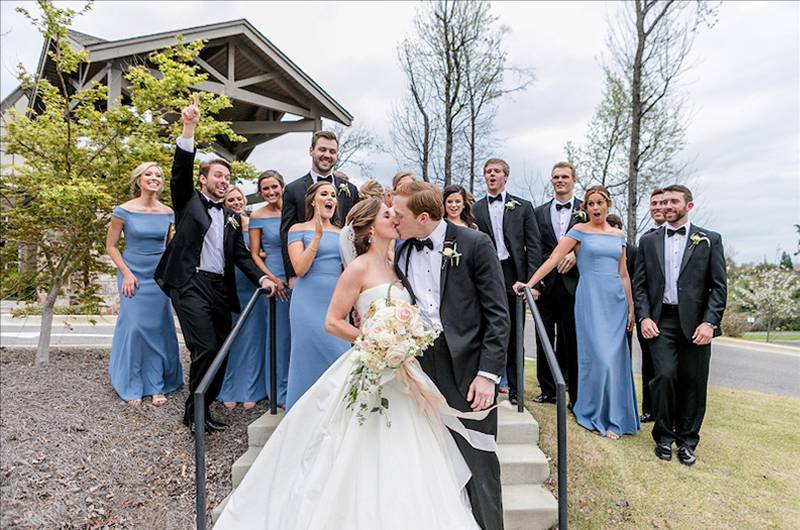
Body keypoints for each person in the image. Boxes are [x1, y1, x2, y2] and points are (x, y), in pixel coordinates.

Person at [215, 198, 484, 529]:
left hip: (401, 372)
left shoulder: (397, 262)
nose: (396, 219)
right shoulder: (358, 267)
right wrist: (373, 342)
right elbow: (332, 321)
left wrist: (402, 342)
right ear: (371, 227)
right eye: (388, 215)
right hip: (372, 364)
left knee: (410, 449)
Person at [154, 95, 275, 434]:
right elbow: (180, 171)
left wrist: (262, 279)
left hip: (219, 288)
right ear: (204, 180)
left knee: (221, 348)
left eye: (227, 177)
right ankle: (193, 414)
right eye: (217, 176)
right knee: (204, 346)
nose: (223, 180)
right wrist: (189, 127)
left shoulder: (234, 216)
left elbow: (239, 256)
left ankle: (203, 411)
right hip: (189, 283)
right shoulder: (188, 201)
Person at [394, 181, 509, 530]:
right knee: (431, 456)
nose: (394, 220)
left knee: (478, 456)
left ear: (423, 216)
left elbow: (498, 315)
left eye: (399, 215)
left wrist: (488, 375)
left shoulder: (475, 244)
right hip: (418, 365)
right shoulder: (400, 251)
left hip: (467, 366)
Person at [514, 186, 639, 439]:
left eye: (599, 203)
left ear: (608, 205)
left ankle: (618, 417)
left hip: (616, 301)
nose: (595, 208)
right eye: (590, 204)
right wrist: (530, 283)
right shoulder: (578, 232)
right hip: (590, 299)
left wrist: (631, 308)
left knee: (615, 360)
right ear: (586, 208)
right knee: (599, 358)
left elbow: (623, 274)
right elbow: (552, 260)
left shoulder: (618, 235)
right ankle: (594, 411)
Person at [633, 184, 726, 466]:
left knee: (693, 383)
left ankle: (687, 441)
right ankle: (663, 436)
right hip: (661, 322)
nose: (667, 206)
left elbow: (719, 287)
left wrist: (710, 323)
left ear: (689, 206)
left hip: (697, 324)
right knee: (663, 376)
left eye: (674, 201)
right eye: (665, 202)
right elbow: (640, 286)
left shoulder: (710, 239)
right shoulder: (648, 241)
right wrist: (644, 317)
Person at [106, 163, 181, 407]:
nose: (154, 178)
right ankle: (132, 382)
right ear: (138, 180)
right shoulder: (123, 211)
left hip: (158, 276)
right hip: (133, 275)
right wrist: (126, 273)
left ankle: (157, 383)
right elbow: (111, 246)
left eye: (158, 175)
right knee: (136, 327)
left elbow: (170, 245)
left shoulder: (167, 212)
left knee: (158, 327)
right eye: (148, 174)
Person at [473, 158, 541, 406]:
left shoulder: (522, 207)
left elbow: (534, 246)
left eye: (497, 171)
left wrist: (531, 282)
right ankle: (485, 383)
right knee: (486, 328)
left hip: (515, 274)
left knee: (514, 332)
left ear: (505, 176)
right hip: (487, 273)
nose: (492, 174)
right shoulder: (476, 208)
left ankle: (515, 388)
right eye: (488, 171)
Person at [285, 181, 351, 409]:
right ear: (313, 200)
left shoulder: (344, 233)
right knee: (307, 359)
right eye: (324, 194)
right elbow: (300, 269)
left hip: (336, 302)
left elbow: (350, 270)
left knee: (339, 356)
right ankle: (301, 415)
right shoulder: (297, 230)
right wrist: (317, 237)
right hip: (306, 303)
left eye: (333, 194)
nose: (330, 198)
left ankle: (338, 413)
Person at [531, 162, 583, 406]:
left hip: (575, 285)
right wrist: (536, 282)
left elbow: (596, 239)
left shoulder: (586, 209)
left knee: (572, 339)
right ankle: (548, 389)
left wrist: (576, 254)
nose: (559, 180)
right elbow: (535, 248)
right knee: (543, 337)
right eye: (555, 177)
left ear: (574, 180)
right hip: (546, 285)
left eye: (564, 177)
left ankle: (575, 392)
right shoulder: (539, 212)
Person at [279, 130, 359, 282]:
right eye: (322, 149)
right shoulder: (293, 189)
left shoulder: (351, 190)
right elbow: (286, 235)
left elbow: (355, 232)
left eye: (332, 151)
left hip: (341, 273)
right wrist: (291, 275)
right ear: (311, 151)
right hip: (305, 271)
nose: (327, 155)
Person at [216, 186, 268, 410]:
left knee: (253, 338)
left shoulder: (255, 223)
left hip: (253, 283)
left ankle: (251, 388)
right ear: (225, 203)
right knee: (232, 338)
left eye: (239, 199)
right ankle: (229, 387)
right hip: (232, 283)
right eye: (231, 200)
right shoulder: (223, 224)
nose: (236, 203)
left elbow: (264, 251)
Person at [248, 171, 292, 408]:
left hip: (297, 276)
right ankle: (279, 390)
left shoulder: (293, 211)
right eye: (265, 189)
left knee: (298, 334)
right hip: (274, 279)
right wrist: (272, 278)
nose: (271, 192)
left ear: (282, 186)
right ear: (260, 192)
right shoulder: (258, 215)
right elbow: (254, 253)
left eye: (274, 186)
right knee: (279, 335)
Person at [636, 188, 667, 423]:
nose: (657, 207)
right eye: (653, 203)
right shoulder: (646, 239)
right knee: (649, 362)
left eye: (661, 203)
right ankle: (650, 408)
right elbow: (640, 279)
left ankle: (668, 410)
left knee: (667, 368)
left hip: (674, 312)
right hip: (648, 312)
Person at [607, 213, 636, 353]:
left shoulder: (632, 251)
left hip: (623, 302)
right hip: (604, 302)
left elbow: (631, 277)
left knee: (624, 346)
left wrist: (631, 306)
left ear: (616, 227)